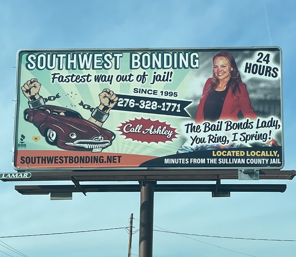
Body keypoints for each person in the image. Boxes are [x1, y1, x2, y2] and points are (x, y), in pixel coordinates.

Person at [195, 51, 257, 123]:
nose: (219, 70)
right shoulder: (209, 82)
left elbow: (248, 114)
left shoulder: (239, 88)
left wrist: (262, 129)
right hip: (205, 132)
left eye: (223, 66)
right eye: (216, 66)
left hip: (226, 133)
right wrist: (196, 129)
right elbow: (200, 109)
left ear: (231, 68)